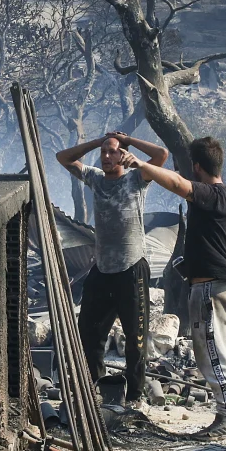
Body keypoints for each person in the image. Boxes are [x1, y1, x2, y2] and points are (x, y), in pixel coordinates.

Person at [121, 136, 226, 440]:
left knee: (214, 357)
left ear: (196, 167)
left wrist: (142, 164)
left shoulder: (211, 194)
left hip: (212, 292)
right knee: (224, 355)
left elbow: (179, 185)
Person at [56, 131, 170, 407]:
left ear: (123, 155)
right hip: (102, 269)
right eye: (103, 153)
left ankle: (134, 396)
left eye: (113, 152)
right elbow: (63, 157)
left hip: (131, 268)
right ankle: (97, 388)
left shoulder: (136, 178)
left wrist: (130, 143)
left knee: (135, 337)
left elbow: (161, 155)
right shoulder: (95, 178)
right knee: (89, 333)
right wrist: (98, 142)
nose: (107, 157)